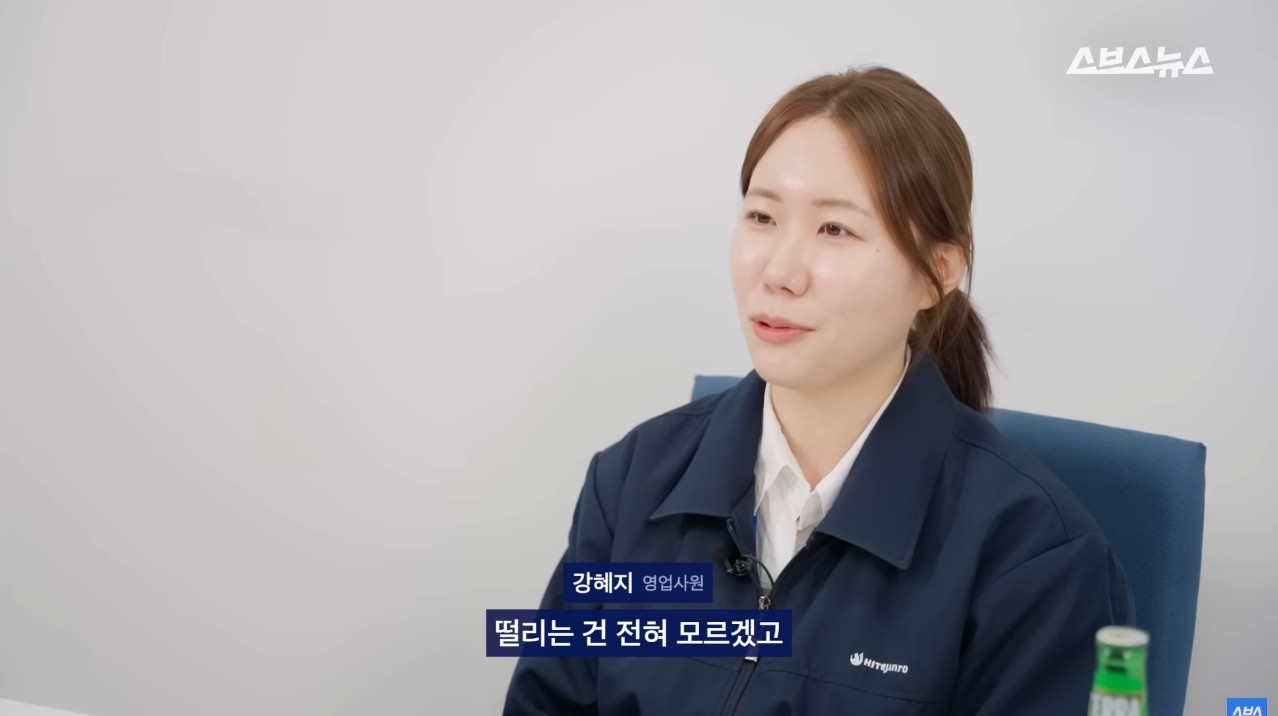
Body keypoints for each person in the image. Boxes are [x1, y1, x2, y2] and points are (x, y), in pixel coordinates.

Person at [503, 66, 1135, 715]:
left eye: (835, 229)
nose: (779, 271)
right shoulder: (634, 482)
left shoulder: (1034, 555)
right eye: (761, 216)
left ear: (937, 273)